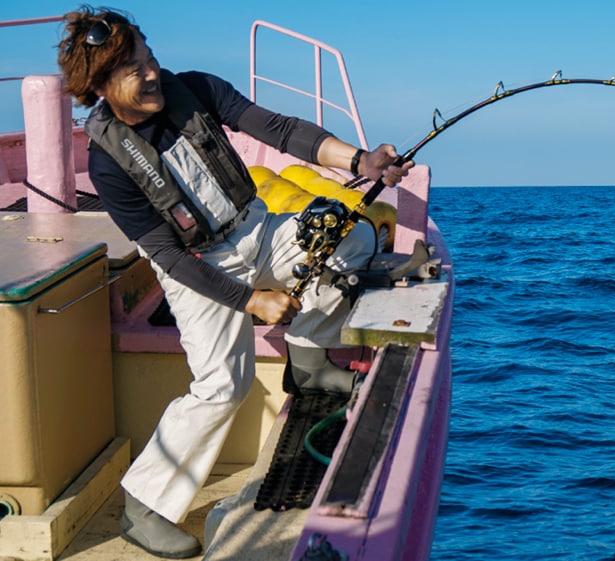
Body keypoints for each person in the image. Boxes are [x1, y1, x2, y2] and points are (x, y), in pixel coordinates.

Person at [57, 6, 413, 558]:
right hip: (198, 264)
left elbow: (280, 129)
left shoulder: (194, 88)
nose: (151, 73)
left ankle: (311, 363)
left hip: (255, 226)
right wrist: (252, 301)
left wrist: (361, 160)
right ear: (99, 85)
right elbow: (170, 259)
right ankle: (144, 506)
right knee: (223, 384)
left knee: (353, 237)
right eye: (132, 69)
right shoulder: (108, 165)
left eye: (149, 58)